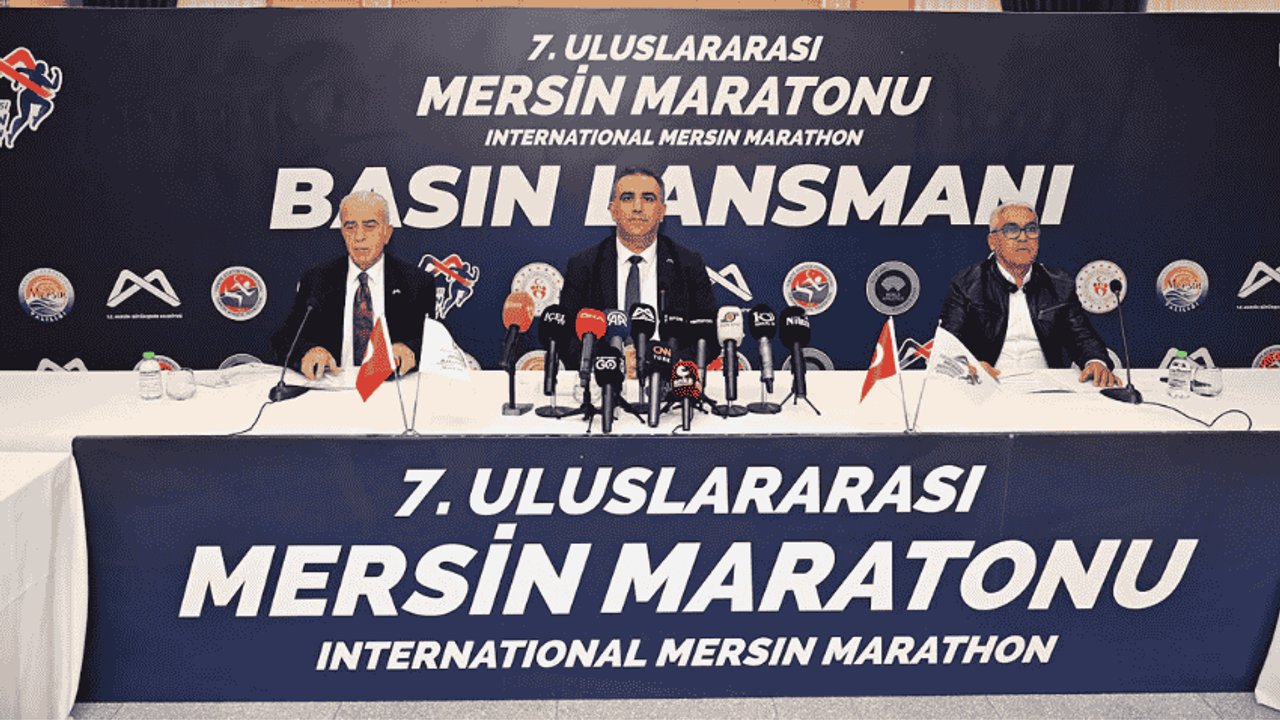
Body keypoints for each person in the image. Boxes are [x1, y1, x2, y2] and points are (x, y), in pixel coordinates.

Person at [938, 201, 1121, 387]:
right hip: (987, 385)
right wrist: (970, 366)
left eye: (1031, 229)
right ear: (992, 241)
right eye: (1011, 230)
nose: (1023, 237)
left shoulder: (1060, 284)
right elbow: (948, 345)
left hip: (1048, 388)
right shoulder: (966, 283)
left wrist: (1095, 362)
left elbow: (1083, 337)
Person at [271, 190, 435, 381]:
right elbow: (284, 339)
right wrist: (308, 352)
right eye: (350, 227)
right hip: (332, 385)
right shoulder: (317, 280)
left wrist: (409, 349)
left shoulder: (417, 281)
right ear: (342, 232)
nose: (359, 236)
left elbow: (434, 342)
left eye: (370, 226)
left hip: (390, 386)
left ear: (387, 233)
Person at [560, 167, 716, 345]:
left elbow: (708, 338)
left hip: (668, 362)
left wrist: (665, 359)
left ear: (661, 212)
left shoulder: (688, 264)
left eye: (648, 199)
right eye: (627, 198)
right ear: (613, 210)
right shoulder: (583, 265)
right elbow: (568, 340)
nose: (637, 208)